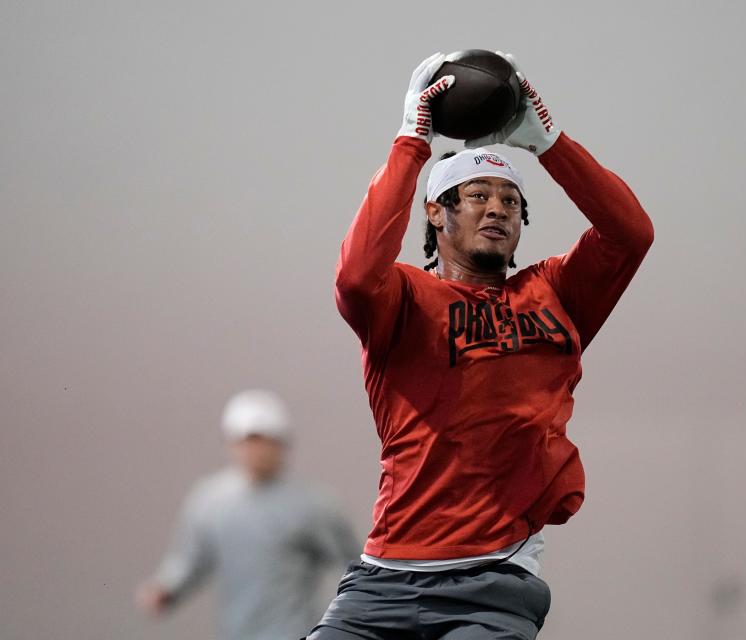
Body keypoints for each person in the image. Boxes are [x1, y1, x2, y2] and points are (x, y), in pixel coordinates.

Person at [309, 51, 654, 639]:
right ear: (436, 213)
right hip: (383, 580)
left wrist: (550, 144)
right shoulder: (405, 300)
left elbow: (631, 232)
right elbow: (355, 275)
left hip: (493, 580)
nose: (497, 206)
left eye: (511, 199)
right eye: (477, 195)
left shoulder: (555, 294)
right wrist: (409, 144)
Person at [136, 389, 359, 640]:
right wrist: (166, 588)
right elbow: (189, 560)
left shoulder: (314, 506)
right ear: (232, 444)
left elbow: (352, 564)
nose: (258, 450)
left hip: (294, 632)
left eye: (267, 441)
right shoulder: (210, 502)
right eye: (249, 441)